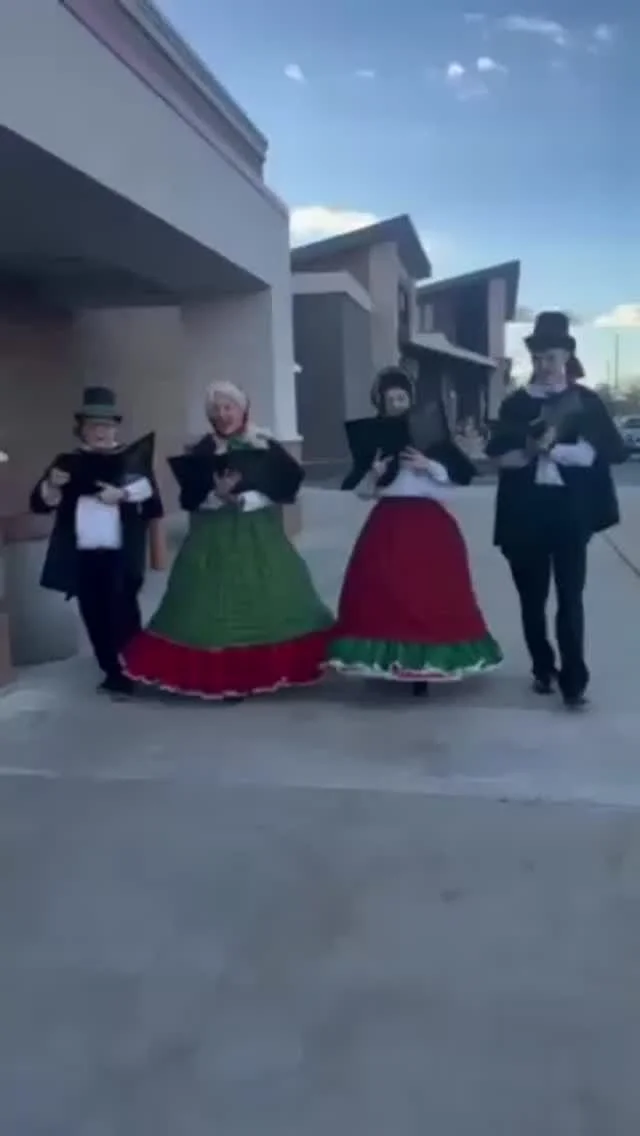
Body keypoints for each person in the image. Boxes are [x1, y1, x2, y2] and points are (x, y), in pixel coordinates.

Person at [121, 381, 334, 700]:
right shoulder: (202, 450)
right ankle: (224, 676)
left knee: (272, 597)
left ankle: (270, 669)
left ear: (242, 409)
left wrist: (242, 498)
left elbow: (286, 485)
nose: (222, 415)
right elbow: (189, 497)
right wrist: (216, 495)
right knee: (209, 605)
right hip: (211, 537)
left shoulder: (263, 444)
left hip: (258, 534)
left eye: (228, 407)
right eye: (215, 409)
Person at [327, 366, 502, 692]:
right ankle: (389, 659)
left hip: (429, 525)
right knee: (384, 590)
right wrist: (374, 473)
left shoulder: (432, 438)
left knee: (429, 593)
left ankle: (424, 667)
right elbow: (363, 493)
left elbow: (451, 487)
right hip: (387, 524)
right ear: (381, 404)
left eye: (402, 397)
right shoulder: (374, 441)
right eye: (390, 399)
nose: (397, 403)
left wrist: (429, 465)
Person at [486, 311, 625, 708]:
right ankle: (543, 667)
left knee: (570, 596)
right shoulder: (517, 404)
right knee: (532, 599)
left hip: (569, 511)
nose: (545, 365)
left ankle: (574, 680)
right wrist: (531, 448)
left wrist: (559, 448)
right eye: (538, 358)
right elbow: (499, 458)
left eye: (551, 357)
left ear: (566, 356)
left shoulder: (586, 402)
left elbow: (608, 451)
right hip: (526, 512)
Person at [29, 386, 164, 697]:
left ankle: (134, 670)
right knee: (93, 614)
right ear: (82, 430)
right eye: (93, 426)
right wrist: (52, 484)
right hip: (83, 554)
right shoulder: (67, 462)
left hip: (121, 553)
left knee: (124, 612)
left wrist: (123, 494)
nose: (100, 432)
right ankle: (112, 672)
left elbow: (152, 501)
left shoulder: (131, 458)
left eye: (106, 425)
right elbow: (41, 502)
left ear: (115, 428)